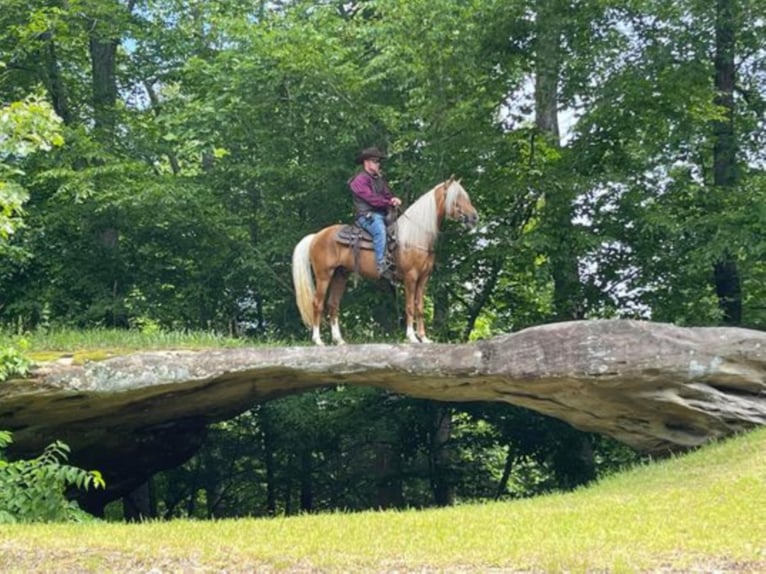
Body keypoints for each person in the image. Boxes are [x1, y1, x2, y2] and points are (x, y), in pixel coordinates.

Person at [348, 147, 402, 280]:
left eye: (378, 162)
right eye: (375, 161)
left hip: (382, 215)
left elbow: (387, 194)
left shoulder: (379, 180)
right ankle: (381, 265)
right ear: (367, 163)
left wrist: (394, 199)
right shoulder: (359, 181)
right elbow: (372, 199)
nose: (378, 164)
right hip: (367, 216)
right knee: (380, 231)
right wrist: (389, 203)